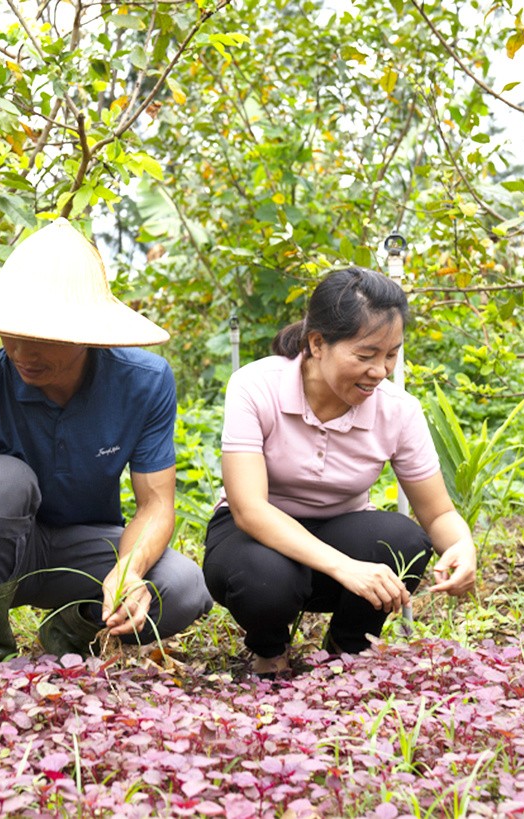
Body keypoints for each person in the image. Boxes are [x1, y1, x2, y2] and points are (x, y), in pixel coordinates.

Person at [0, 219, 212, 682]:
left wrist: (128, 571)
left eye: (44, 336)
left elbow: (156, 505)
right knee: (1, 482)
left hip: (86, 544)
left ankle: (72, 633)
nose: (21, 350)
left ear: (87, 332)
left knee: (183, 587)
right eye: (12, 331)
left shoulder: (144, 383)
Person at [203, 267, 476, 676]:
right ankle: (270, 654)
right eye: (365, 355)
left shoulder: (397, 410)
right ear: (317, 343)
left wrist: (463, 544)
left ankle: (345, 653)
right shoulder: (255, 387)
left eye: (391, 355)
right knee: (265, 580)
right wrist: (342, 566)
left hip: (340, 528)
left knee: (404, 541)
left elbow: (437, 514)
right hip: (251, 538)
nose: (380, 371)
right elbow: (249, 510)